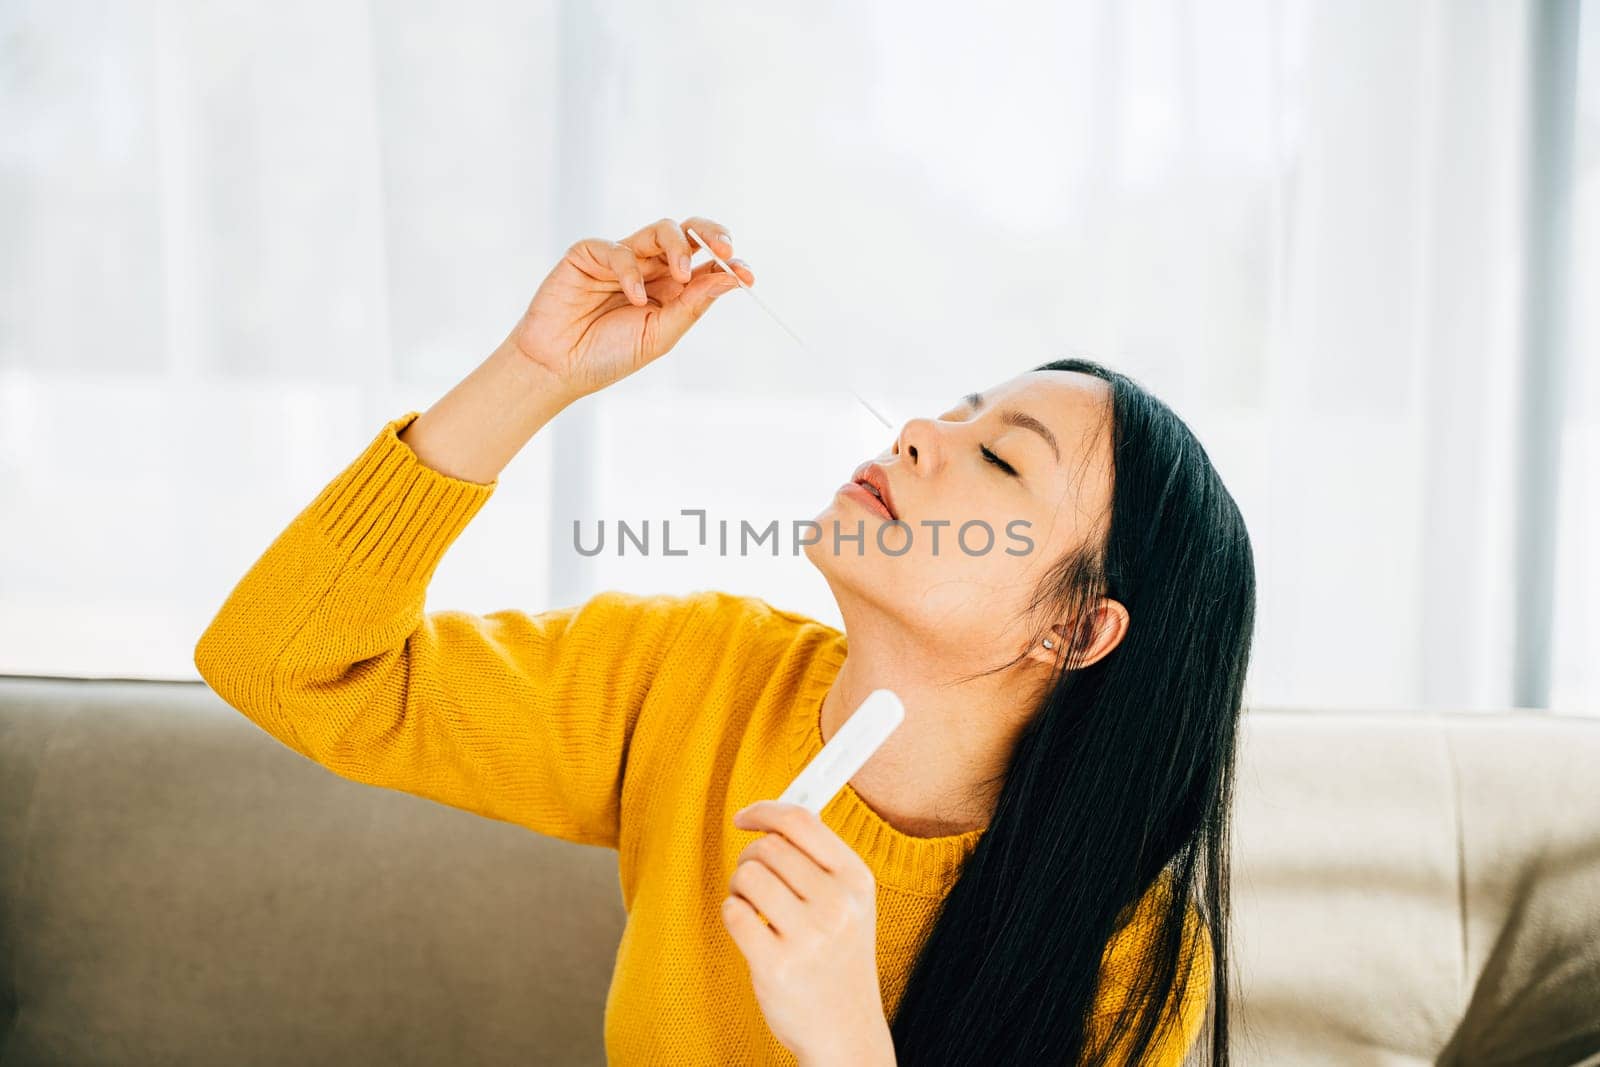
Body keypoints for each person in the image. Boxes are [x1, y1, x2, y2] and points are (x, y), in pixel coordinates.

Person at [195, 214, 1253, 1066]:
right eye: (956, 413)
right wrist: (535, 371)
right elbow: (284, 661)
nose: (920, 431)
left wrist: (843, 1041)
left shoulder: (1136, 959)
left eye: (1003, 461)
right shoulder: (690, 676)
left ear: (1074, 626)